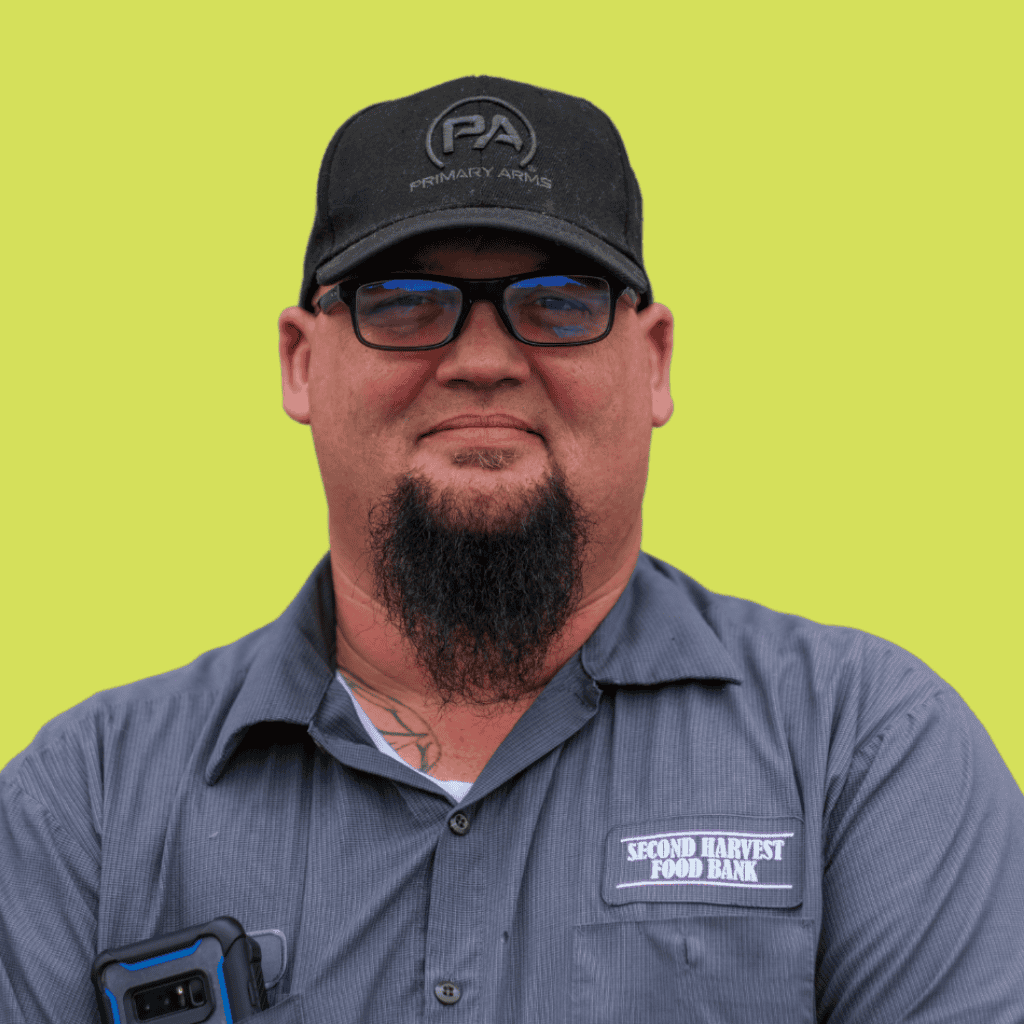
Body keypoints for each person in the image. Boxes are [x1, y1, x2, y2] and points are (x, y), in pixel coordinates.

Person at [1, 76, 1022, 1024]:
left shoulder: (866, 756)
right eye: (403, 302)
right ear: (301, 362)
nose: (483, 360)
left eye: (559, 303)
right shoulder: (84, 807)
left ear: (655, 360)